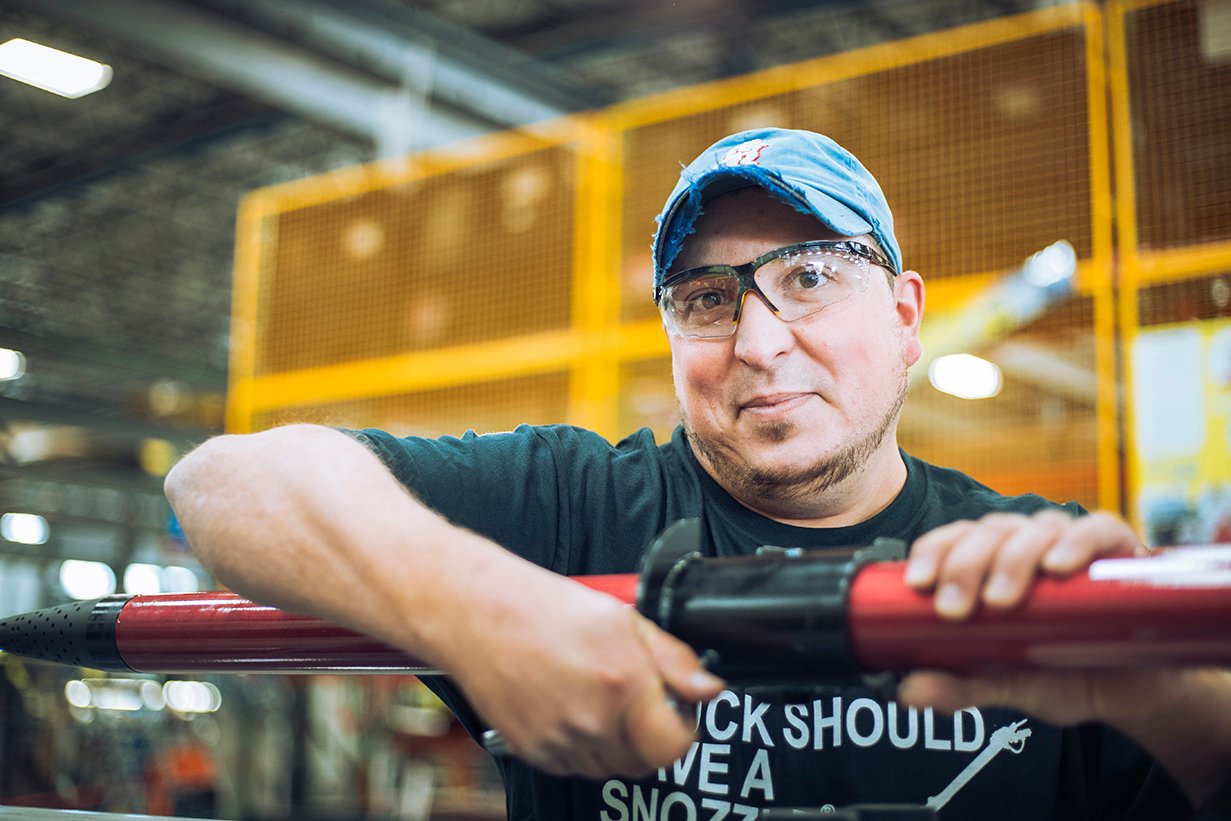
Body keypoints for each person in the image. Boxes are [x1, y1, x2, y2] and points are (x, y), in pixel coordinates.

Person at [165, 128, 1231, 819]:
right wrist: (482, 612)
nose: (759, 342)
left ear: (904, 316)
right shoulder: (574, 510)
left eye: (809, 275)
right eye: (709, 299)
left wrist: (1152, 692)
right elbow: (220, 482)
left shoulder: (1034, 567)